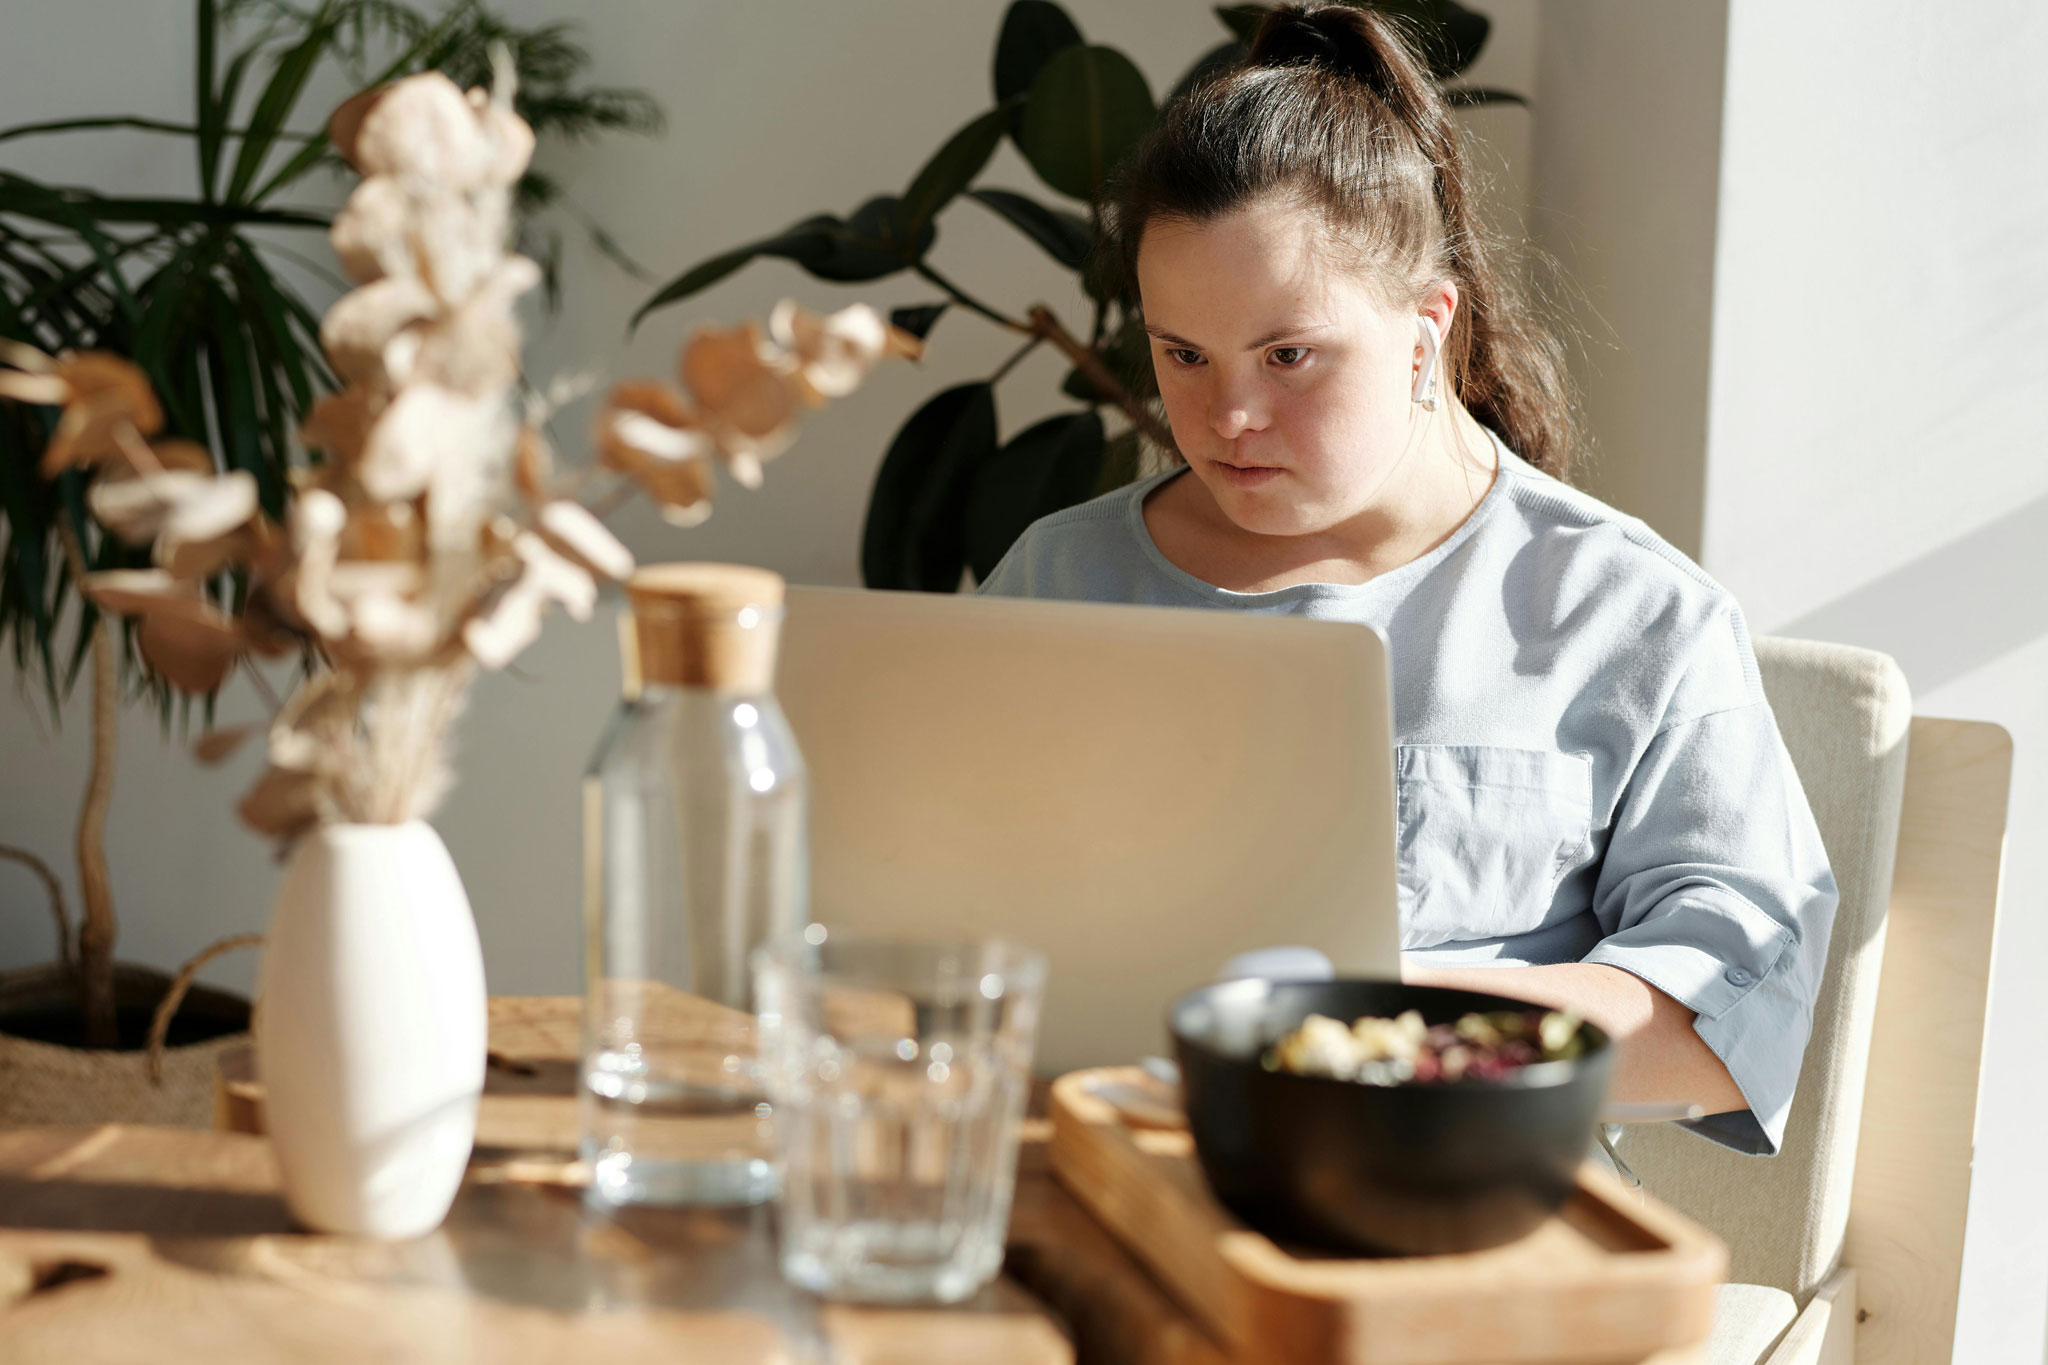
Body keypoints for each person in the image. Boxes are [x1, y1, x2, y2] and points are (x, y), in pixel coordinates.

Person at [976, 2, 1837, 1157]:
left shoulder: (1626, 616)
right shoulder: (1056, 577)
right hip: (1095, 1184)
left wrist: (1351, 1025)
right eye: (1182, 354)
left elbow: (1718, 1026)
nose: (1227, 417)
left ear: (1426, 328)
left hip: (1445, 1223)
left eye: (1290, 355)